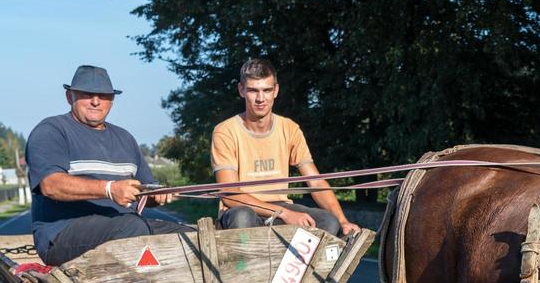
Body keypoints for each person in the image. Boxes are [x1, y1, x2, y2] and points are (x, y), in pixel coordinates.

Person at [27, 66, 189, 266]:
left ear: (111, 100)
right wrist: (109, 189)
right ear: (70, 96)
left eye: (103, 96)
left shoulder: (125, 138)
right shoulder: (51, 131)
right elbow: (51, 185)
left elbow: (145, 192)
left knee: (189, 237)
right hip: (62, 235)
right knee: (132, 227)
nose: (96, 101)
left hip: (125, 225)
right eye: (87, 94)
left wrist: (157, 195)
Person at [210, 59, 360, 237]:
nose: (260, 98)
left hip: (280, 206)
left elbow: (316, 182)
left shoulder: (289, 129)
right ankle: (243, 265)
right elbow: (230, 195)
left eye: (266, 90)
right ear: (241, 90)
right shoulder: (225, 131)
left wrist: (342, 220)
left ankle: (296, 265)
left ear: (276, 91)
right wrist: (284, 214)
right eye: (253, 90)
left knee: (328, 221)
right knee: (243, 216)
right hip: (241, 209)